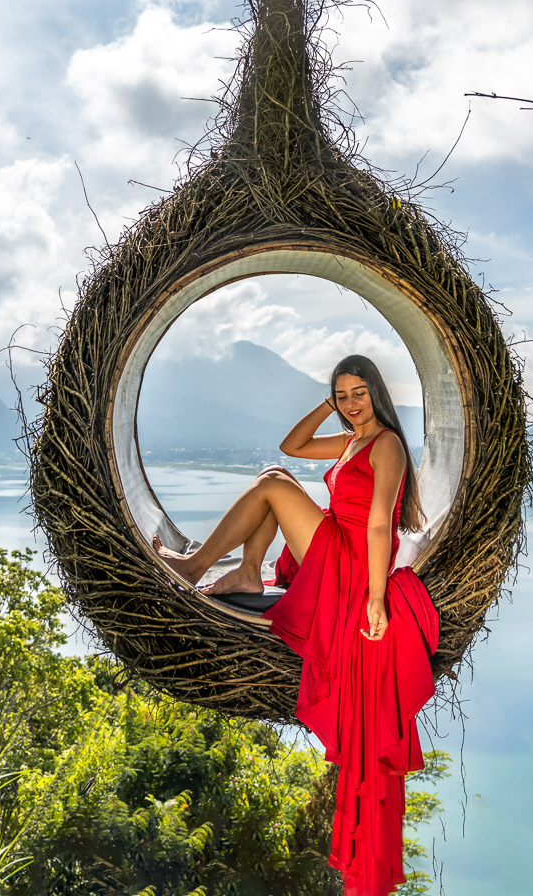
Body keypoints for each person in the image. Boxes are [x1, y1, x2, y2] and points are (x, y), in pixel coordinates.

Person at [153, 355, 440, 896]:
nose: (352, 403)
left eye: (359, 393)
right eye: (343, 395)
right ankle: (245, 569)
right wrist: (326, 406)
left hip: (353, 562)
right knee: (278, 474)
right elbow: (293, 445)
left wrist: (376, 599)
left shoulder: (387, 445)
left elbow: (380, 523)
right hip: (335, 544)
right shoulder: (352, 440)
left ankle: (195, 566)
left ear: (376, 393)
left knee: (273, 486)